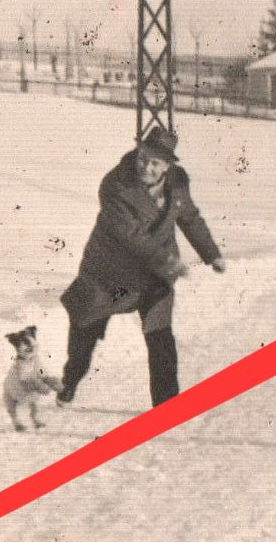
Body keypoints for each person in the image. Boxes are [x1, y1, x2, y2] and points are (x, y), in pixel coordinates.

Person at [58, 124, 226, 408]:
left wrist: (211, 253)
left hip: (154, 277)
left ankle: (167, 406)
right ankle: (69, 382)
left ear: (167, 166)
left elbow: (190, 217)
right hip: (112, 277)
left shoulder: (177, 184)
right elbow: (132, 237)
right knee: (86, 330)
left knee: (160, 335)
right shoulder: (116, 186)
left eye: (155, 162)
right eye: (143, 158)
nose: (146, 167)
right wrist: (171, 262)